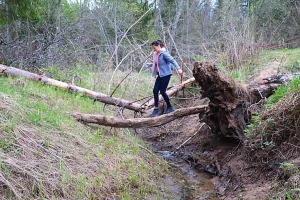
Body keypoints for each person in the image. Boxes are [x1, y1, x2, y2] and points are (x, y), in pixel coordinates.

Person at [149, 40, 183, 117]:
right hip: (160, 75)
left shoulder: (164, 53)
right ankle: (156, 109)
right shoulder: (155, 54)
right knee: (155, 91)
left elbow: (172, 60)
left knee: (162, 91)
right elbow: (156, 64)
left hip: (166, 75)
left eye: (154, 47)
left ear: (158, 46)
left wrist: (178, 68)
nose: (153, 49)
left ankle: (170, 107)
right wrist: (153, 71)